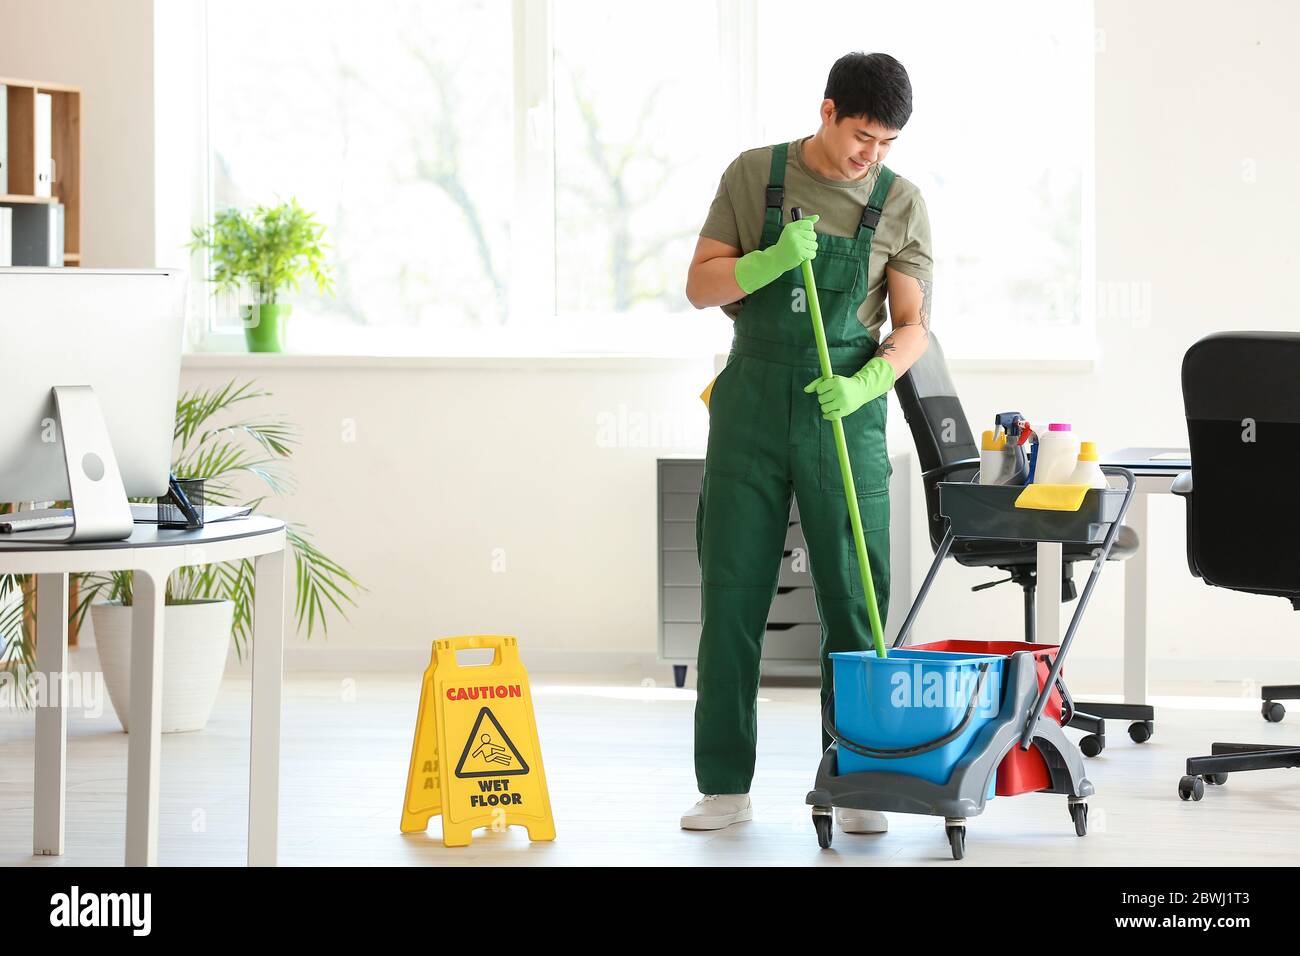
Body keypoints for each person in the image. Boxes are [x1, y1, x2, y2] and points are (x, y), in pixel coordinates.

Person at [681, 52, 933, 833]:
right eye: (864, 136)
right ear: (827, 111)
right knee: (732, 597)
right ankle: (724, 786)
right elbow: (700, 286)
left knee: (855, 602)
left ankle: (858, 780)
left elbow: (913, 326)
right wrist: (766, 261)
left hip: (843, 411)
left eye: (887, 142)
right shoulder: (755, 175)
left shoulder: (901, 203)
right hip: (751, 402)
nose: (873, 155)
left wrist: (867, 382)